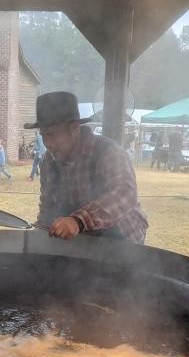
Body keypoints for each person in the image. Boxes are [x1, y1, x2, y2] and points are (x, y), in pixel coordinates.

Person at [24, 91, 148, 243]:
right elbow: (48, 207)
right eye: (43, 135)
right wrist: (40, 235)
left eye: (52, 134)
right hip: (81, 243)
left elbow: (125, 195)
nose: (47, 143)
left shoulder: (107, 152)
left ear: (74, 128)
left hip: (123, 243)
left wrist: (79, 221)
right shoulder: (49, 162)